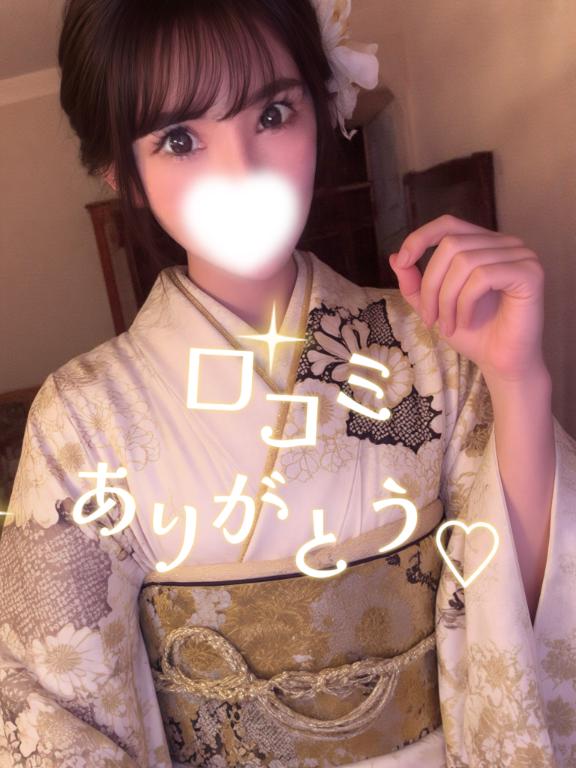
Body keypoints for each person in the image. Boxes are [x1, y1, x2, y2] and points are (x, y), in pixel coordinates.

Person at [1, 0, 575, 766]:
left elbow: (520, 609)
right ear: (121, 173)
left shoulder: (433, 350)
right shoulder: (83, 417)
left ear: (322, 108)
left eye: (272, 114)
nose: (241, 174)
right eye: (180, 139)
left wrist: (517, 380)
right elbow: (53, 710)